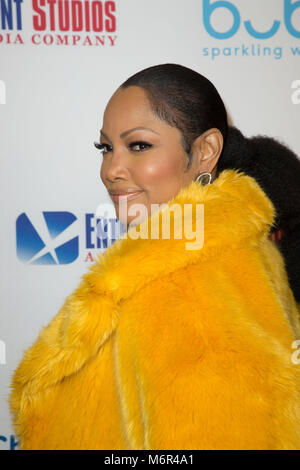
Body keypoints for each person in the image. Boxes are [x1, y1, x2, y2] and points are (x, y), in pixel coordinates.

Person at [9, 63, 300, 450]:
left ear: (205, 152)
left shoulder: (186, 284)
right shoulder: (224, 247)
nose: (111, 169)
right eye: (106, 148)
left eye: (139, 146)